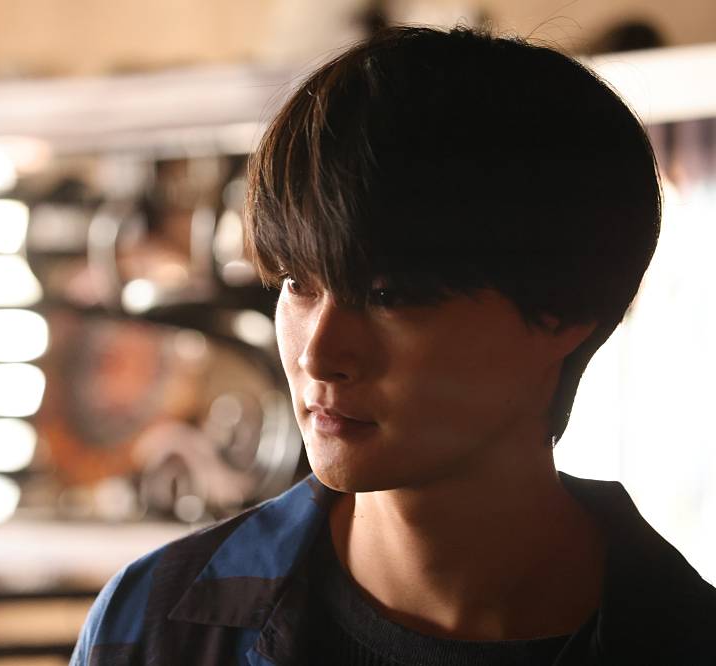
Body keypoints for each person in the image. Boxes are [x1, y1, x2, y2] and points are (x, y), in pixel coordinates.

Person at [70, 25, 716, 666]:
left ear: (561, 310)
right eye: (297, 284)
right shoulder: (158, 626)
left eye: (388, 296)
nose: (318, 355)